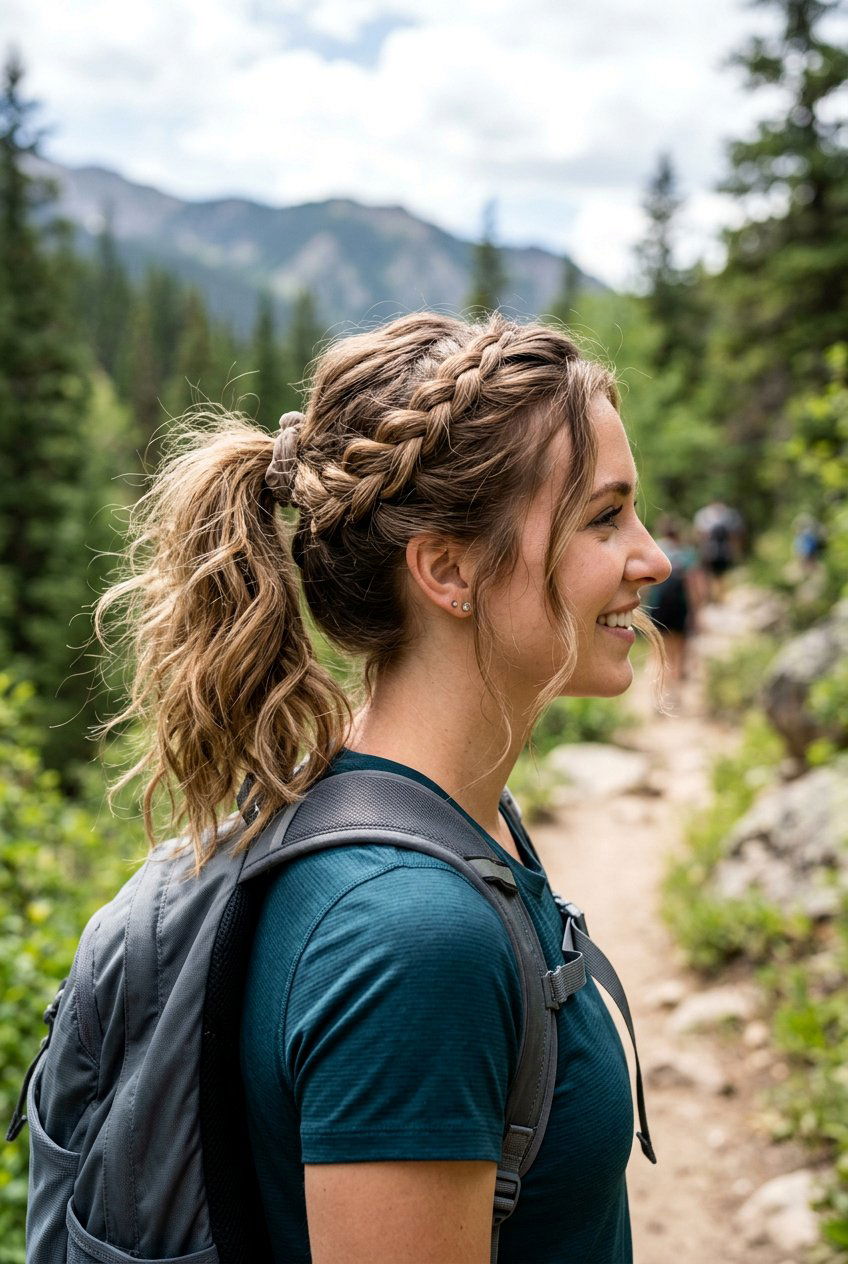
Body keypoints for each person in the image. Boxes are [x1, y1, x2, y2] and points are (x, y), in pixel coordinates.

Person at [95, 311, 672, 1263]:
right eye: (604, 518)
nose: (653, 558)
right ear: (448, 569)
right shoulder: (412, 940)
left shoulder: (401, 821)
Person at [642, 514, 705, 710]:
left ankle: (656, 697)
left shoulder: (653, 550)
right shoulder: (686, 554)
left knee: (657, 653)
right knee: (677, 653)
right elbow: (694, 586)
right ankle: (675, 697)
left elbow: (644, 585)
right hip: (679, 608)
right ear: (678, 534)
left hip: (657, 609)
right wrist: (696, 613)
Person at [693, 499, 746, 604]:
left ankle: (717, 596)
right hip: (722, 551)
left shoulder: (704, 516)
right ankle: (719, 596)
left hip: (711, 550)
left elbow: (700, 534)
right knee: (720, 574)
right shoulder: (728, 516)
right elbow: (735, 534)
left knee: (714, 574)